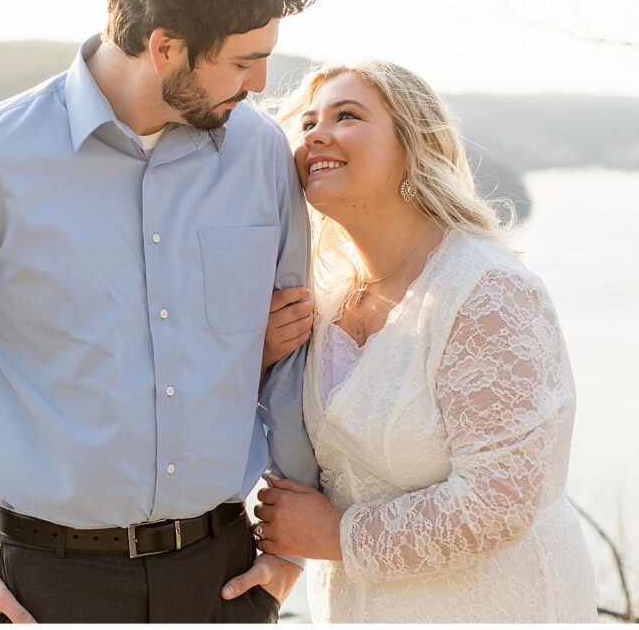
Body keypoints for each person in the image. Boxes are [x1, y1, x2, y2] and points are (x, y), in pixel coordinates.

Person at [0, 0, 319, 623]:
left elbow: (292, 354)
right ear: (165, 47)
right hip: (47, 590)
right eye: (244, 61)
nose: (261, 81)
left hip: (225, 578)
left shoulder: (260, 155)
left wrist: (288, 553)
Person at [252, 61, 598, 622]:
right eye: (309, 121)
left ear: (414, 148)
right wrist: (260, 359)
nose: (316, 134)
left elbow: (500, 501)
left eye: (347, 115)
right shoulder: (327, 301)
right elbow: (318, 464)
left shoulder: (487, 291)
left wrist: (339, 536)